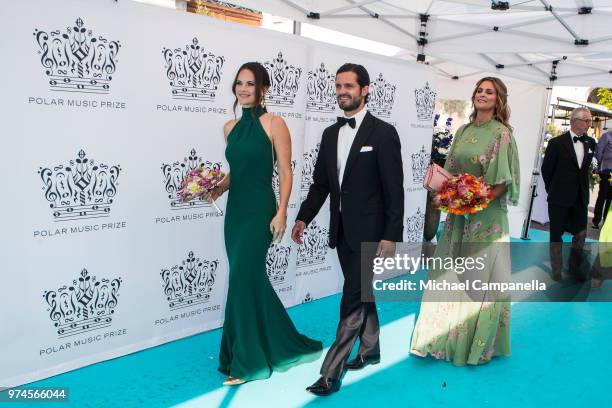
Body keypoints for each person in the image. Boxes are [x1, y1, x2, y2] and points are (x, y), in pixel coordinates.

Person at [291, 63, 404, 396]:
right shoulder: (330, 134)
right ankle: (371, 349)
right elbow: (321, 184)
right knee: (360, 290)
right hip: (340, 231)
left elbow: (393, 190)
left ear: (365, 89)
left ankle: (330, 373)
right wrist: (303, 218)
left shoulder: (383, 133)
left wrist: (390, 235)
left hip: (371, 233)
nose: (342, 91)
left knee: (352, 298)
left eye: (349, 86)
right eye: (338, 86)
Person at [207, 62, 322, 386]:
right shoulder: (229, 128)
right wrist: (216, 188)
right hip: (235, 212)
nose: (243, 89)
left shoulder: (275, 123)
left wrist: (282, 211)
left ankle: (245, 362)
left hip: (260, 210)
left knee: (244, 278)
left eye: (250, 84)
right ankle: (272, 341)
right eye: (239, 83)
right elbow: (237, 171)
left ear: (264, 90)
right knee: (247, 279)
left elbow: (285, 171)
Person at [409, 77, 520, 365]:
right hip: (459, 217)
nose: (483, 95)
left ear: (499, 99)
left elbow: (502, 183)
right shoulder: (463, 131)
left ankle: (473, 344)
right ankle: (434, 338)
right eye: (480, 90)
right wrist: (445, 194)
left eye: (489, 92)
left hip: (487, 218)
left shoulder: (502, 134)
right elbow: (451, 173)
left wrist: (474, 201)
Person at [541, 107, 596, 281]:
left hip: (580, 197)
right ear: (574, 121)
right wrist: (554, 189)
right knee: (556, 235)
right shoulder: (556, 143)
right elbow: (546, 170)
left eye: (590, 120)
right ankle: (556, 269)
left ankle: (574, 268)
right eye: (586, 120)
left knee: (580, 234)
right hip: (559, 197)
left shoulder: (591, 142)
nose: (589, 124)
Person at [592, 130, 612, 229]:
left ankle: (606, 222)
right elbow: (599, 152)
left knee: (610, 199)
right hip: (605, 171)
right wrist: (599, 165)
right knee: (602, 196)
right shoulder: (606, 136)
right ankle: (596, 220)